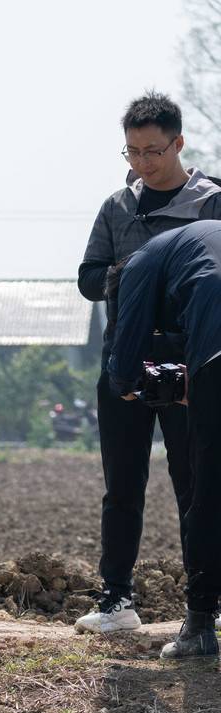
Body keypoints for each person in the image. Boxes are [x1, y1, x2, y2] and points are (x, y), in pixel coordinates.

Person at [76, 91, 221, 636]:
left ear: (179, 144)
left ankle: (205, 601)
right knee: (122, 483)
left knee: (197, 482)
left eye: (153, 151)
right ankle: (116, 597)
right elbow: (88, 279)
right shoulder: (117, 206)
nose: (143, 163)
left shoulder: (212, 202)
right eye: (132, 152)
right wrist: (129, 272)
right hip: (125, 355)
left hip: (193, 361)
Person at [108, 221, 221, 661]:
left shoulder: (138, 265)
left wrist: (134, 383)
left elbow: (125, 353)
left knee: (209, 491)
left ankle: (198, 624)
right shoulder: (197, 243)